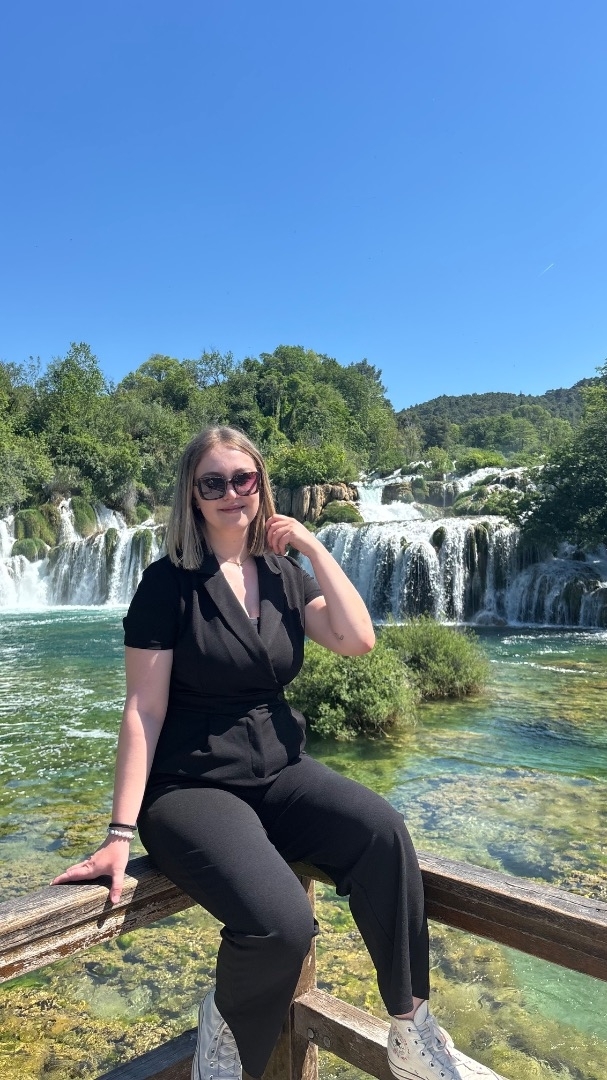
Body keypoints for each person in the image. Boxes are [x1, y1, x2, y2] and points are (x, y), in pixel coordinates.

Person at [52, 426, 503, 1080]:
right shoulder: (166, 584)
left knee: (382, 833)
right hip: (192, 786)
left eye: (244, 479)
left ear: (261, 485)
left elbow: (356, 640)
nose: (231, 493)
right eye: (213, 483)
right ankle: (228, 1033)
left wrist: (313, 547)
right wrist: (119, 834)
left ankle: (410, 1026)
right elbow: (142, 710)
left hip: (280, 770)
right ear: (193, 495)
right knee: (282, 925)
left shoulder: (283, 575)